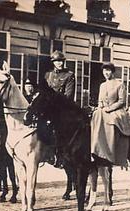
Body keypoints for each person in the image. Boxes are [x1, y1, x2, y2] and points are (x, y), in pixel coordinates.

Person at [44, 50, 76, 200]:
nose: (59, 63)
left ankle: (61, 155)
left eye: (61, 61)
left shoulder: (69, 76)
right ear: (53, 62)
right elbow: (44, 92)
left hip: (63, 110)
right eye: (56, 61)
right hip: (49, 109)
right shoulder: (48, 75)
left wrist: (53, 104)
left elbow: (68, 96)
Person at [91, 62, 130, 166]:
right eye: (104, 70)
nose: (106, 73)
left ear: (112, 72)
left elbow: (122, 101)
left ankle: (110, 151)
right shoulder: (102, 85)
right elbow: (100, 100)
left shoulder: (119, 84)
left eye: (108, 70)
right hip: (104, 109)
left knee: (112, 120)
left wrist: (109, 109)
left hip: (117, 110)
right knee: (96, 115)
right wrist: (100, 106)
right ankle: (96, 148)